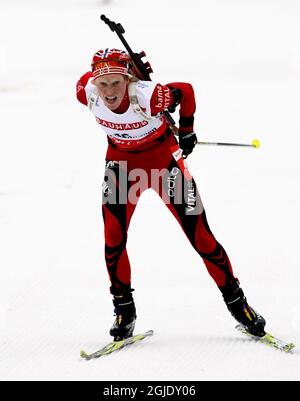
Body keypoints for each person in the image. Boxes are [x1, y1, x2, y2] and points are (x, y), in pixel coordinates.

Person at [76, 48, 266, 341]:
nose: (109, 92)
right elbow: (94, 80)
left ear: (128, 79)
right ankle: (124, 310)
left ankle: (238, 304)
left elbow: (186, 91)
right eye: (103, 84)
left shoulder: (148, 95)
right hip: (121, 166)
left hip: (164, 164)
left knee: (202, 237)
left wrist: (187, 130)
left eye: (116, 82)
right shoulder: (85, 90)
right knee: (113, 239)